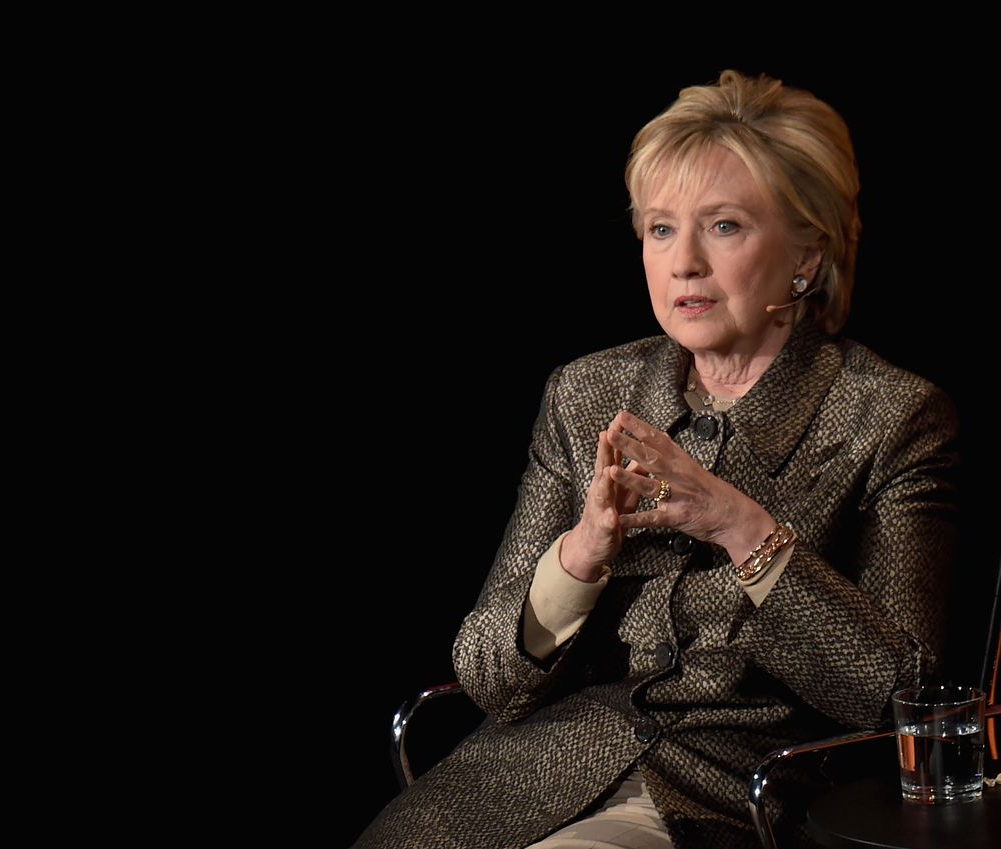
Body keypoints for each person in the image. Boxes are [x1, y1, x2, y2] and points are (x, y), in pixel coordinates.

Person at [352, 70, 960, 849]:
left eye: (726, 226)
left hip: (737, 791)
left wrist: (740, 526)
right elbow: (486, 674)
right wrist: (579, 556)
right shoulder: (587, 392)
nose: (685, 265)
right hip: (532, 774)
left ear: (807, 252)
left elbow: (903, 694)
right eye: (662, 229)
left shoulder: (893, 415)